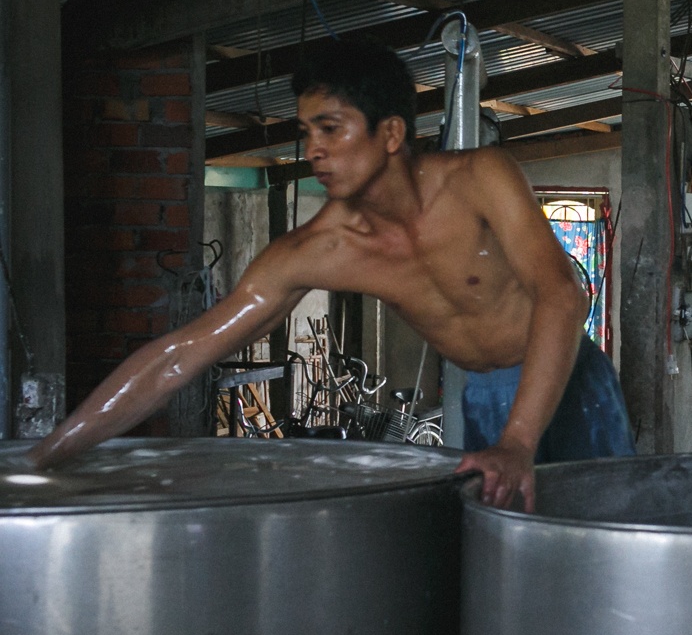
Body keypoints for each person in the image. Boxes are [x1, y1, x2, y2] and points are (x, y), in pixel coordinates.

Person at [30, 37, 633, 507]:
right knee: (516, 567)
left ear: (390, 133)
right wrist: (45, 456)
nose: (313, 148)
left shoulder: (481, 179)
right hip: (488, 400)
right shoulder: (317, 250)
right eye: (305, 131)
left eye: (330, 128)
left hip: (568, 378)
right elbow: (180, 354)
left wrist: (519, 443)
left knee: (608, 541)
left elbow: (563, 295)